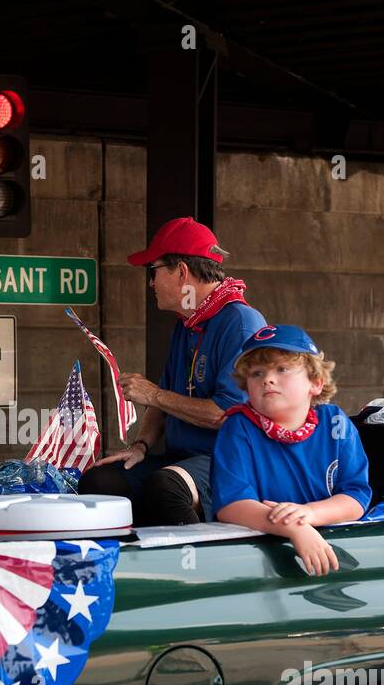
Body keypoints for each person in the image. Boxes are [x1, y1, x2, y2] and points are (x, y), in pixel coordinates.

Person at [79, 217, 266, 524]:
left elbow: (225, 414)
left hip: (230, 461)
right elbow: (162, 403)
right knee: (100, 482)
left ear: (181, 271)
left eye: (153, 271)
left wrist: (153, 393)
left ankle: (199, 568)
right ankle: (124, 566)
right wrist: (141, 446)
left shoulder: (241, 323)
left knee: (165, 487)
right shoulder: (187, 323)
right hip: (180, 459)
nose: (151, 282)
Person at [212, 325, 372, 577]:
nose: (267, 379)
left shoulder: (335, 421)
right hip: (259, 560)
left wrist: (308, 514)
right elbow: (232, 505)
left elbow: (356, 496)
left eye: (282, 369)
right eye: (256, 374)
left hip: (334, 550)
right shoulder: (238, 427)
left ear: (316, 383)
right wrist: (295, 527)